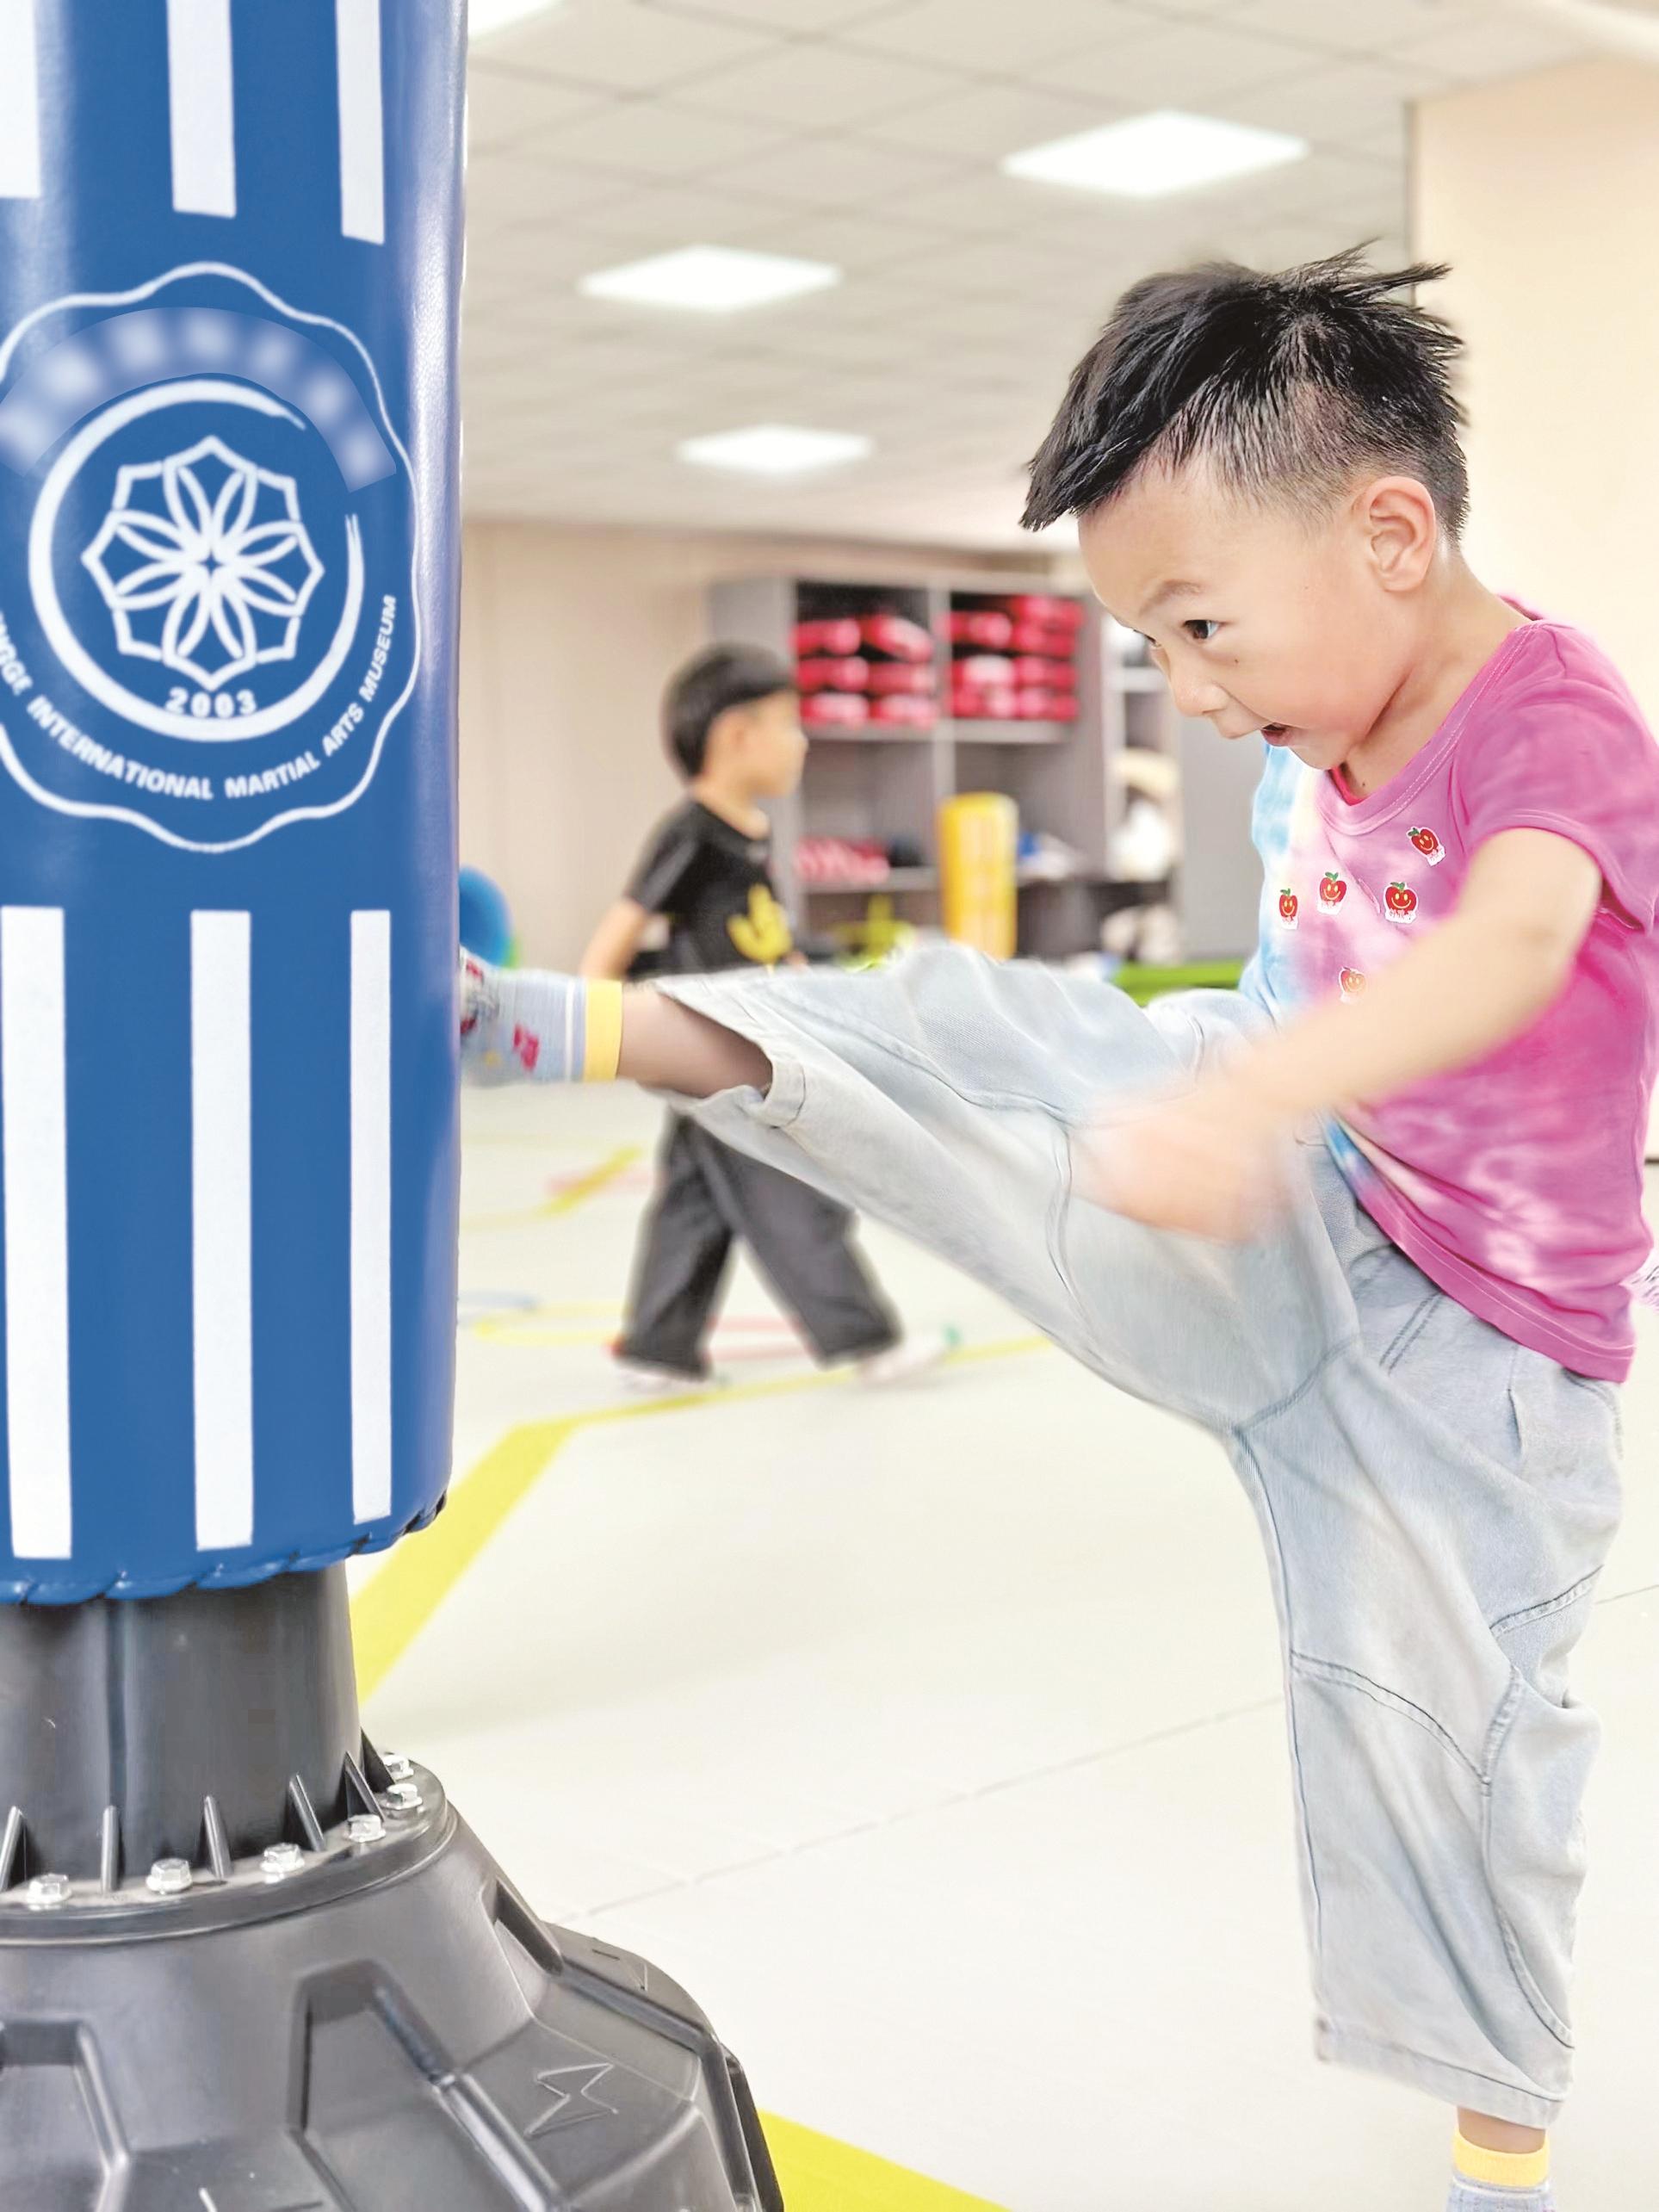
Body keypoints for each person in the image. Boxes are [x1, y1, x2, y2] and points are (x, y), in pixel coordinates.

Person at [461, 254, 1659, 2211]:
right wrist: (1217, 1093)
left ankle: (1494, 2165)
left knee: (1454, 1746)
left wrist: (1248, 1101)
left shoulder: (1557, 720)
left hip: (1480, 1359)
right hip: (1285, 1196)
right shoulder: (1306, 733)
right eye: (1150, 643)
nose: (1187, 691)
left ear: (1389, 535)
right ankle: (572, 1026)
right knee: (975, 1030)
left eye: (1199, 627)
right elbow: (1258, 996)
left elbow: (1514, 946)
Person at [538, 641, 946, 1391]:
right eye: (788, 724)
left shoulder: (748, 833)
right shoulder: (690, 832)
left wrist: (799, 974)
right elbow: (617, 935)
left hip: (748, 1038)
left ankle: (656, 1349)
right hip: (717, 1050)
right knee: (787, 1189)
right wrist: (595, 1021)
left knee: (695, 1199)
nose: (801, 741)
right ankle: (867, 1341)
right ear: (736, 734)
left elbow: (754, 931)